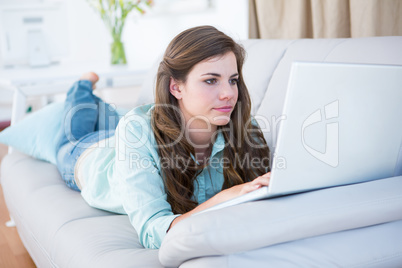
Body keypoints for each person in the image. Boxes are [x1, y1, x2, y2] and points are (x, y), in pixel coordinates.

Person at [56, 25, 271, 249]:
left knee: (111, 117)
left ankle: (103, 107)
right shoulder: (136, 129)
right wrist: (224, 198)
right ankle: (82, 86)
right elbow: (152, 232)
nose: (229, 93)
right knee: (77, 129)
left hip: (130, 139)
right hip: (90, 157)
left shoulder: (246, 128)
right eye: (211, 80)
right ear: (176, 87)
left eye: (233, 80)